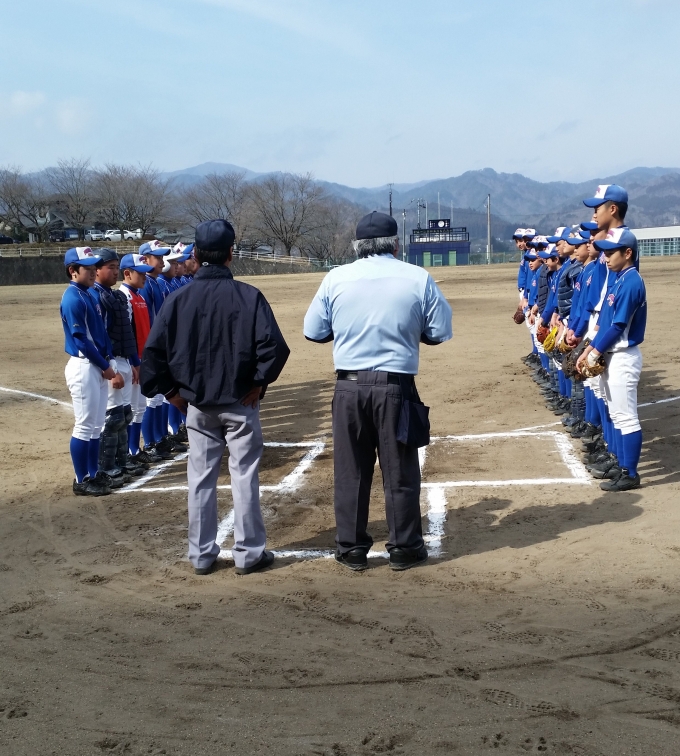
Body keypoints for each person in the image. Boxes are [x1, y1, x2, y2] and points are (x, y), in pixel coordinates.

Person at [303, 211, 452, 572]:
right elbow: (438, 332)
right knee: (399, 471)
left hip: (349, 387)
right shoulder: (417, 277)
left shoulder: (335, 278)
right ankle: (404, 548)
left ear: (357, 246)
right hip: (395, 386)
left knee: (350, 472)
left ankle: (351, 548)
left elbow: (314, 331)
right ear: (395, 244)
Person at [140, 220, 290, 576]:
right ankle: (248, 554)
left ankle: (201, 555)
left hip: (198, 405)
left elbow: (152, 356)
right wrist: (258, 383)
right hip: (240, 402)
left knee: (200, 479)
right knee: (244, 476)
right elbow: (274, 348)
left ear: (195, 254)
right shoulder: (249, 296)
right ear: (230, 254)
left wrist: (173, 393)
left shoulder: (177, 299)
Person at [577, 228, 646, 491]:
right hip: (611, 354)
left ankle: (630, 473)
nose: (605, 257)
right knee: (615, 413)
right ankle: (619, 464)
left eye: (611, 252)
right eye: (604, 252)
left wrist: (594, 352)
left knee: (625, 416)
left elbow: (618, 326)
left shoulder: (631, 282)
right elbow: (605, 323)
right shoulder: (619, 279)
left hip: (623, 356)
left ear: (627, 253)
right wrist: (589, 349)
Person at [60, 247, 117, 497]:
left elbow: (100, 333)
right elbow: (81, 339)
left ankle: (93, 474)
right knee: (84, 426)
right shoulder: (73, 298)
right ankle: (81, 479)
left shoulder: (88, 294)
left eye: (95, 267)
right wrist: (105, 366)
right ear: (73, 271)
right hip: (84, 365)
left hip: (96, 364)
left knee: (96, 426)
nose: (94, 271)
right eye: (88, 268)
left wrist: (108, 360)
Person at [91, 249, 145, 485]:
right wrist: (111, 367)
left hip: (123, 359)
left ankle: (121, 462)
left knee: (124, 414)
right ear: (97, 270)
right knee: (113, 417)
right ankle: (106, 466)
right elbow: (100, 337)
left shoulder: (114, 296)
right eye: (110, 267)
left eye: (116, 267)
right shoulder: (96, 297)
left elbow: (126, 334)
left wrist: (134, 362)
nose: (114, 272)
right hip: (109, 362)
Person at [119, 253, 158, 467]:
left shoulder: (139, 296)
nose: (145, 276)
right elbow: (127, 335)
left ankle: (135, 449)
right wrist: (134, 362)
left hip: (142, 358)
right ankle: (128, 452)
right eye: (140, 272)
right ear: (127, 273)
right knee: (130, 409)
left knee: (139, 407)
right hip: (133, 361)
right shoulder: (124, 297)